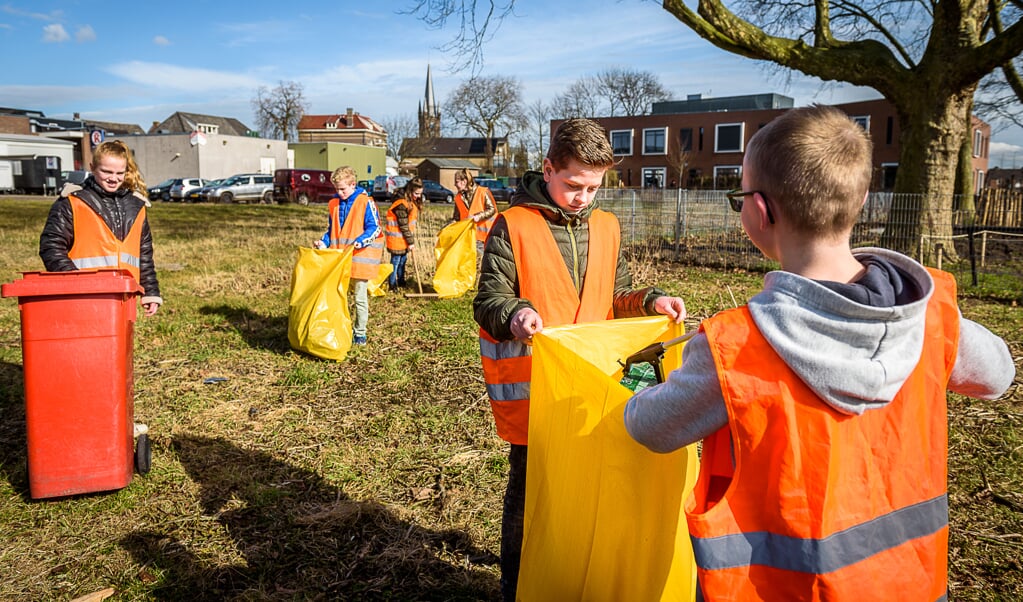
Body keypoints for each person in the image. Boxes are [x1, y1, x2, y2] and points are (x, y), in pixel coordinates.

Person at [624, 105, 1014, 600]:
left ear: (759, 212)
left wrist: (646, 389)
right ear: (862, 199)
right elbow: (998, 374)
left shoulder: (737, 345)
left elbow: (649, 427)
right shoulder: (931, 316)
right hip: (911, 582)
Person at [473, 118, 688, 602]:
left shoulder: (607, 226)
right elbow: (488, 301)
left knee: (589, 491)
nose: (583, 197)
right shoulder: (514, 225)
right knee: (531, 495)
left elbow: (618, 294)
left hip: (594, 385)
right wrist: (517, 314)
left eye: (593, 187)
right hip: (536, 392)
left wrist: (652, 300)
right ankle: (517, 584)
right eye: (573, 184)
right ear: (548, 169)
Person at [40, 139, 163, 317]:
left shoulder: (137, 206)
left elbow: (143, 255)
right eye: (106, 171)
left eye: (120, 173)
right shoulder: (72, 202)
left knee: (119, 344)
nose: (113, 178)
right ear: (92, 167)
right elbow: (51, 247)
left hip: (124, 299)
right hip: (83, 298)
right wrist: (74, 282)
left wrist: (151, 292)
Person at [313, 166, 382, 346]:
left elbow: (375, 228)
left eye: (343, 189)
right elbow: (332, 231)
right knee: (338, 296)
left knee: (359, 298)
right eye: (336, 189)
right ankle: (340, 328)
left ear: (353, 184)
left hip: (359, 260)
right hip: (339, 260)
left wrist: (360, 241)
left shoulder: (365, 202)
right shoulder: (333, 204)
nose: (340, 192)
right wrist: (323, 242)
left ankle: (360, 334)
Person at [384, 177, 423, 290]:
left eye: (420, 194)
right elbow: (403, 225)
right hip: (397, 239)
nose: (418, 196)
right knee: (395, 262)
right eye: (416, 193)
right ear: (410, 190)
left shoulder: (410, 202)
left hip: (404, 239)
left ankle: (401, 281)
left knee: (403, 261)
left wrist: (409, 240)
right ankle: (392, 284)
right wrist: (411, 242)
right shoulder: (401, 204)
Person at [450, 168, 498, 256]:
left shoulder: (483, 192)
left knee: (483, 265)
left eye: (456, 182)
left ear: (464, 181)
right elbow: (456, 218)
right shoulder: (458, 198)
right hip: (469, 237)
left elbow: (492, 209)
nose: (454, 184)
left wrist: (477, 217)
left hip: (487, 237)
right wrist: (446, 229)